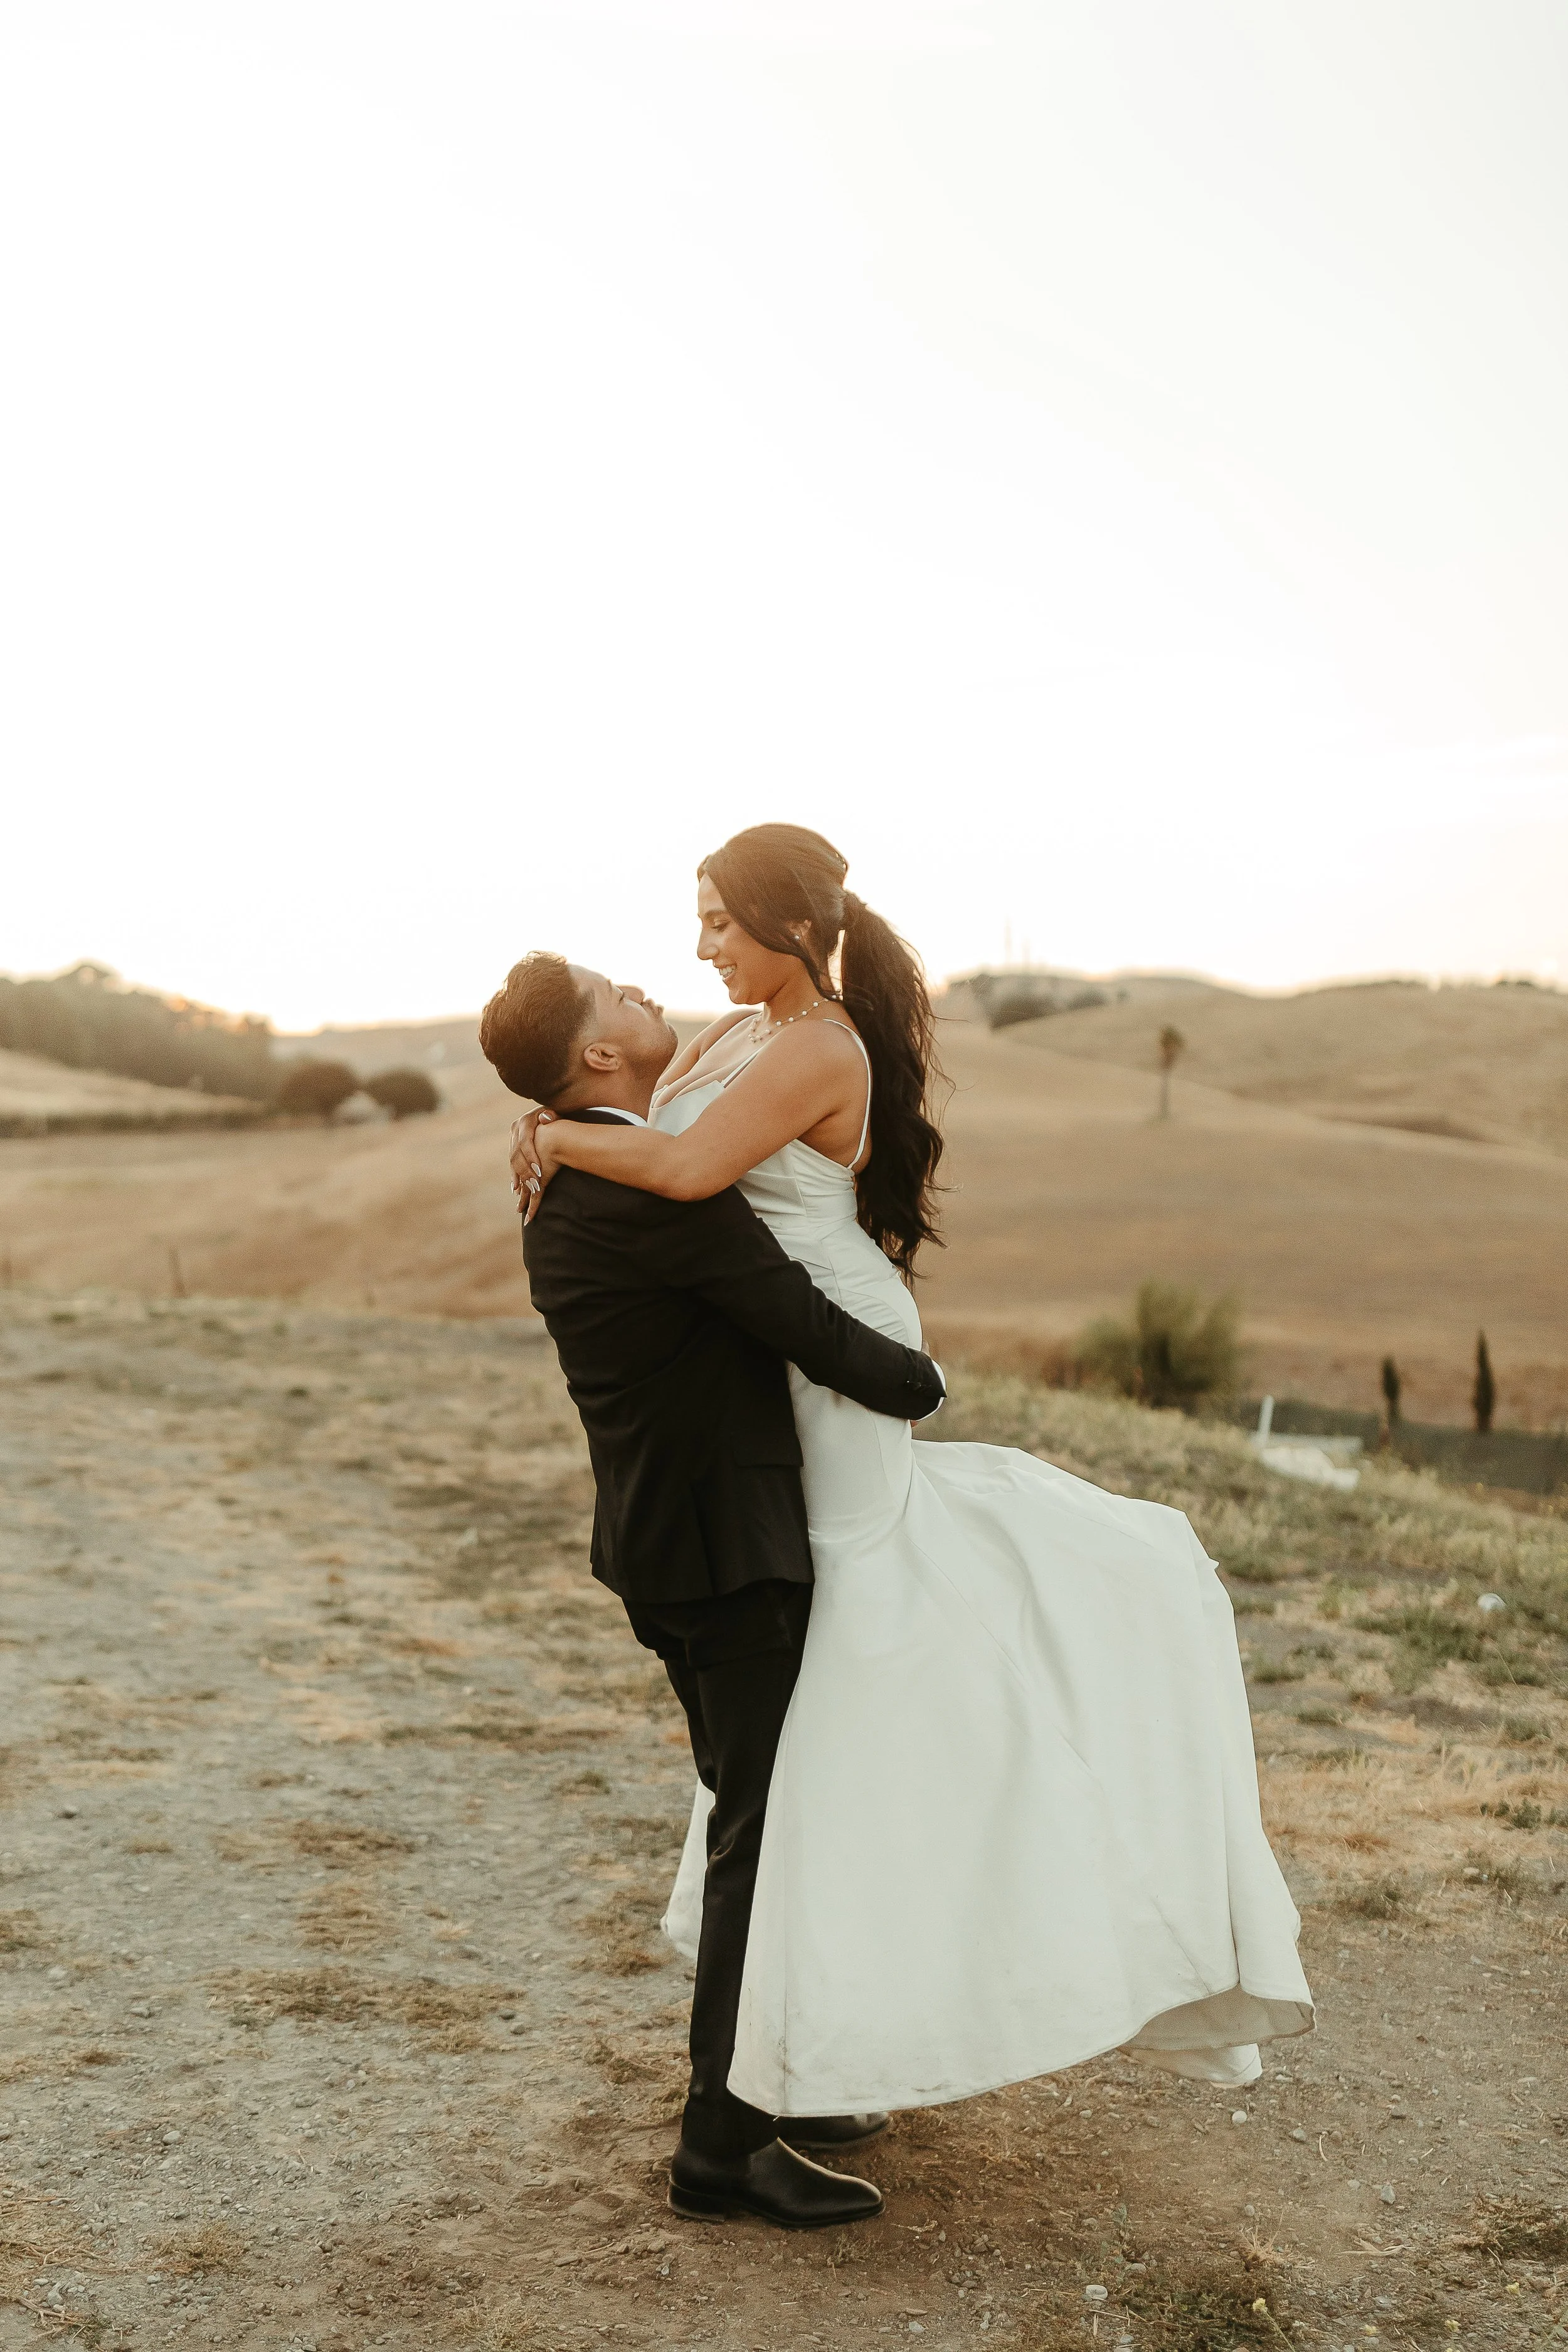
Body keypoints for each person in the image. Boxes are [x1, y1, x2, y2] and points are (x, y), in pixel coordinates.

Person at [511, 823, 1315, 2137]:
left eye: (717, 921)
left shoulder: (819, 1043)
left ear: (788, 926)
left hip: (830, 1347)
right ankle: (831, 2026)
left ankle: (864, 2001)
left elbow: (679, 1168)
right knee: (831, 1678)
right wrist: (562, 1124)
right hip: (773, 1346)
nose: (698, 946)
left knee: (852, 1655)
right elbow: (654, 1143)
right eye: (696, 920)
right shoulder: (731, 1034)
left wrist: (552, 1138)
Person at [479, 953, 945, 2230]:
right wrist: (923, 1388)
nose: (643, 992)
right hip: (729, 1553)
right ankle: (721, 2145)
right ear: (595, 1060)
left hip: (654, 1547)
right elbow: (793, 1317)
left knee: (756, 1817)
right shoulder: (650, 1195)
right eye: (615, 996)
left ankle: (772, 2085)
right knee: (760, 1835)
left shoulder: (572, 1165)